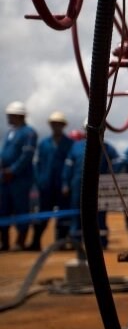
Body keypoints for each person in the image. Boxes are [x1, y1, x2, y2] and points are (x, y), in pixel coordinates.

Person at [62, 121, 120, 249]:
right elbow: (68, 167)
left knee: (100, 214)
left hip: (101, 186)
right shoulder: (76, 147)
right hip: (78, 184)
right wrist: (65, 183)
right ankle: (76, 242)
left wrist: (111, 178)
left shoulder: (107, 147)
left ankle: (101, 242)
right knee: (77, 212)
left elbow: (117, 163)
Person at [31, 111, 74, 250]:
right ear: (51, 125)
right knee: (43, 215)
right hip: (46, 185)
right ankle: (35, 242)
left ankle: (60, 243)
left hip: (63, 186)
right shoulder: (43, 144)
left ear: (63, 126)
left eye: (59, 124)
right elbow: (36, 164)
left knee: (63, 217)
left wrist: (67, 183)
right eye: (54, 124)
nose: (57, 126)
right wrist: (39, 182)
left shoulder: (70, 144)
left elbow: (71, 166)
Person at [0, 101, 38, 251]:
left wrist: (13, 171)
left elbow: (26, 156)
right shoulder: (10, 133)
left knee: (21, 209)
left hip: (20, 180)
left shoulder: (29, 132)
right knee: (3, 209)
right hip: (4, 178)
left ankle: (20, 242)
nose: (7, 117)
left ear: (18, 115)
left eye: (10, 115)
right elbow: (5, 153)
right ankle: (4, 242)